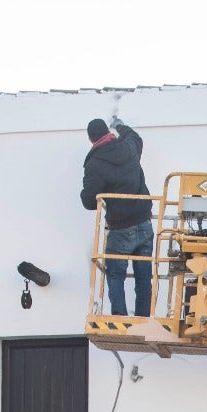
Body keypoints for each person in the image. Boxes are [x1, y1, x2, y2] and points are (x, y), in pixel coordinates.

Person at [81, 118, 153, 317]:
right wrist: (119, 125)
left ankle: (120, 316)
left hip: (121, 228)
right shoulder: (129, 146)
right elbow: (135, 136)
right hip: (144, 222)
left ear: (91, 139)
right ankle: (143, 317)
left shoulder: (95, 163)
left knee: (115, 273)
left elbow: (88, 201)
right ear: (108, 131)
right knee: (144, 275)